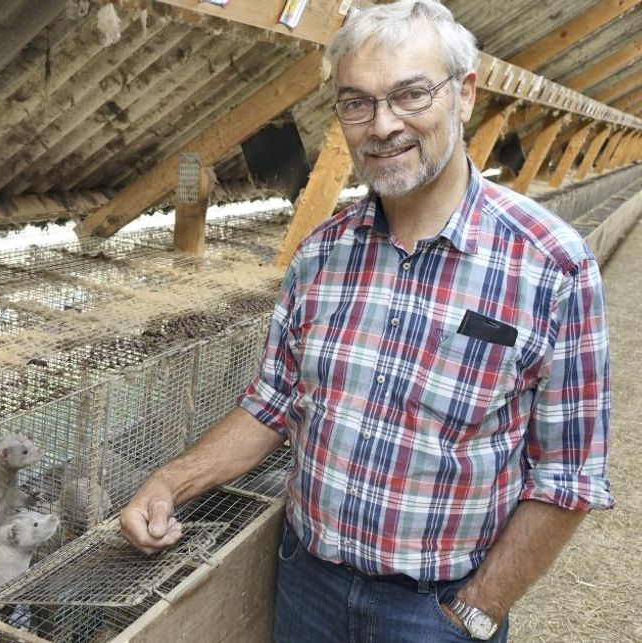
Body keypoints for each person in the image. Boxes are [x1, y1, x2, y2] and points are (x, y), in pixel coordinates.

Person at [119, 1, 613, 641]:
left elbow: (569, 476)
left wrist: (478, 609)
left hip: (434, 610)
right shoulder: (321, 254)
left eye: (411, 95)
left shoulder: (552, 265)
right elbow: (273, 403)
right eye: (357, 103)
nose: (383, 125)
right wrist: (170, 480)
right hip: (307, 583)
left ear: (464, 96)